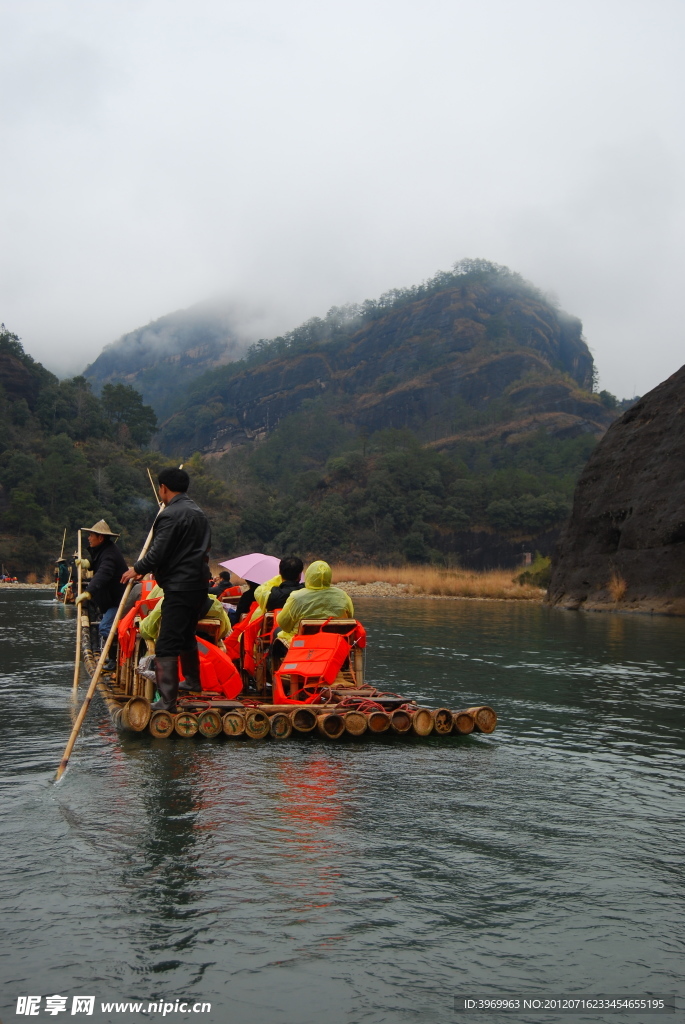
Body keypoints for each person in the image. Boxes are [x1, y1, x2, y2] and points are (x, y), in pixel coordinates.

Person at [121, 467, 211, 712]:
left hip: (180, 586)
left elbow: (159, 552)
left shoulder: (170, 514)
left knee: (167, 643)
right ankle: (192, 680)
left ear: (163, 488)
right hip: (199, 584)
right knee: (185, 635)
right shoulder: (199, 513)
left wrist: (137, 568)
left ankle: (168, 702)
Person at [74, 520, 128, 670]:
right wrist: (88, 564)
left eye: (91, 535)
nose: (89, 538)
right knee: (106, 627)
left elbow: (104, 573)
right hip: (111, 600)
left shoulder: (109, 553)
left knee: (105, 628)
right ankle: (112, 659)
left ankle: (115, 661)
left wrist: (88, 592)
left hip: (119, 600)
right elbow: (99, 564)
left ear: (101, 538)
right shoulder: (104, 550)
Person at [274, 560, 354, 654]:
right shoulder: (342, 596)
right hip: (333, 644)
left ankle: (273, 666)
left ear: (308, 576)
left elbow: (283, 624)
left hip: (302, 646)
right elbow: (350, 616)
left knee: (277, 631)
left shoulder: (297, 597)